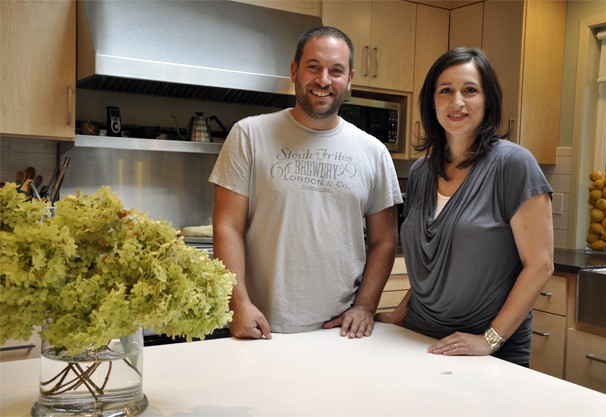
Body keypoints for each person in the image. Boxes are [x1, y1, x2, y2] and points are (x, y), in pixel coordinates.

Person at [210, 26, 403, 340]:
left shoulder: (374, 153)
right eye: (313, 67)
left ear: (350, 79)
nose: (324, 80)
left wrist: (366, 307)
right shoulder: (248, 135)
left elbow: (384, 240)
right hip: (261, 326)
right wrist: (239, 303)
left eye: (336, 70)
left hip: (340, 333)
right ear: (294, 70)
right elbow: (227, 225)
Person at [376, 47, 554, 366]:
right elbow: (430, 270)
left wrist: (489, 340)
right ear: (432, 102)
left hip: (485, 351)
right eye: (446, 91)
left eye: (470, 90)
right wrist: (400, 315)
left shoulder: (514, 165)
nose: (457, 102)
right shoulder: (420, 173)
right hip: (417, 340)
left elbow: (540, 265)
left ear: (488, 100)